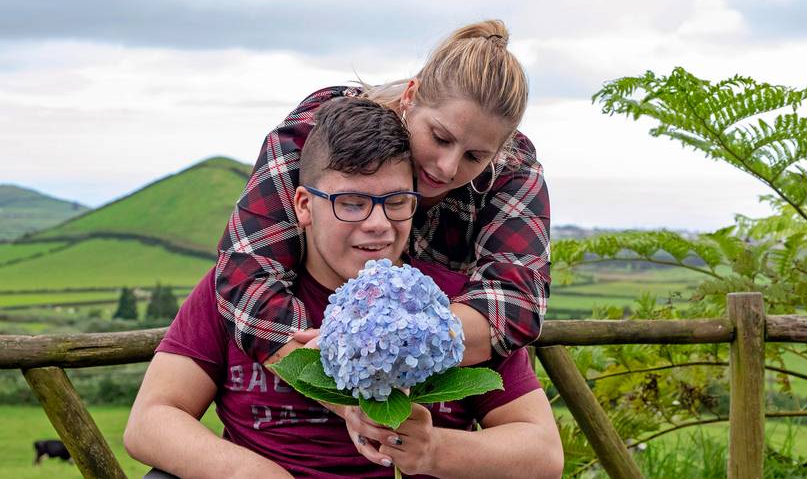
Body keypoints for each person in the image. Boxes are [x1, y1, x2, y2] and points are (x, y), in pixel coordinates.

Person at [125, 98, 563, 478]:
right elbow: (150, 420)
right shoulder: (243, 293)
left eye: (396, 202)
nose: (378, 225)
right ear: (304, 205)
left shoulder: (454, 310)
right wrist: (249, 472)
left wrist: (435, 451)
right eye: (352, 203)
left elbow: (543, 453)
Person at [217, 19, 551, 368]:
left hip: (425, 388)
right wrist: (330, 372)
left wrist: (384, 349)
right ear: (410, 96)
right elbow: (248, 275)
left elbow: (517, 303)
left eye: (475, 157)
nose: (447, 168)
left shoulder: (515, 169)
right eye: (440, 138)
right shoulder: (323, 126)